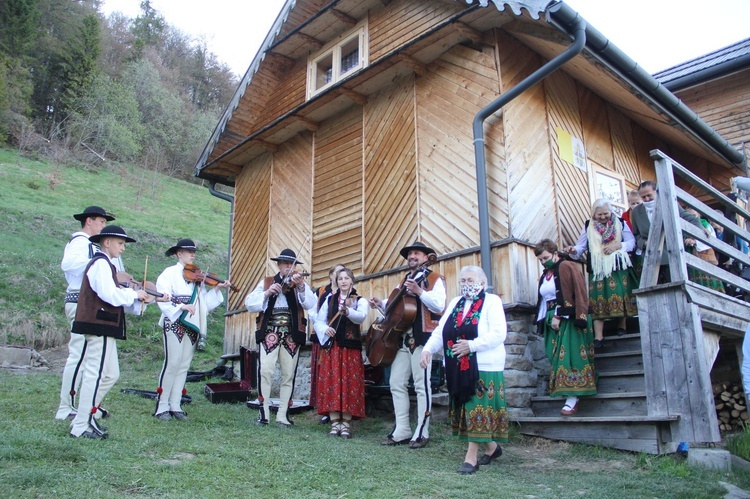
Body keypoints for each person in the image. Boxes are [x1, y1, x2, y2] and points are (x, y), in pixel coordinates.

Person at [69, 226, 167, 438]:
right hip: (98, 325)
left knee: (111, 374)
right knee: (94, 375)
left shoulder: (107, 266)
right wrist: (133, 293)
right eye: (120, 243)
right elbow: (109, 295)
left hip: (105, 326)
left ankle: (87, 416)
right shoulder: (100, 263)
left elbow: (118, 298)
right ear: (106, 242)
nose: (123, 248)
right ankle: (81, 425)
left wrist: (144, 297)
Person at [419, 266, 508, 475]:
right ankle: (492, 448)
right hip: (457, 366)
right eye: (463, 281)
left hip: (484, 365)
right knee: (467, 408)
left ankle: (471, 458)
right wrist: (428, 349)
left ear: (482, 284)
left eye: (470, 280)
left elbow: (498, 333)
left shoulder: (492, 301)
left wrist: (472, 345)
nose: (466, 284)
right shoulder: (455, 303)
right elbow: (441, 330)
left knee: (476, 408)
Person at [369, 241, 446, 449]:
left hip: (422, 338)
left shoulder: (435, 279)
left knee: (422, 385)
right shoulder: (404, 280)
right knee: (396, 382)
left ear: (425, 257)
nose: (412, 256)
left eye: (417, 253)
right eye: (410, 254)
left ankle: (422, 431)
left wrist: (419, 292)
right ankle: (402, 429)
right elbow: (394, 309)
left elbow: (439, 305)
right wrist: (380, 304)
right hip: (401, 339)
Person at [153, 239, 231, 421]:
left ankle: (176, 405)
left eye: (193, 252)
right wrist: (181, 307)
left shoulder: (197, 279)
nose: (192, 254)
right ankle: (161, 406)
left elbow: (203, 305)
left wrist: (217, 289)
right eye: (188, 252)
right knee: (172, 363)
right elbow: (162, 297)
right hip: (174, 321)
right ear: (179, 254)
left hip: (192, 325)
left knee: (184, 366)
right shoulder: (169, 273)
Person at [56, 205, 121, 421]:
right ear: (89, 221)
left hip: (95, 303)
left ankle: (87, 404)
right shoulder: (80, 242)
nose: (103, 225)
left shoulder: (97, 248)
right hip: (79, 300)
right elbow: (68, 264)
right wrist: (98, 263)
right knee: (79, 355)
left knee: (92, 359)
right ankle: (67, 406)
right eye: (101, 221)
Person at [245, 248, 316, 427]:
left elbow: (311, 304)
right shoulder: (267, 282)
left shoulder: (300, 283)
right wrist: (267, 293)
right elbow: (249, 303)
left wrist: (300, 287)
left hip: (292, 332)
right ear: (278, 265)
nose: (288, 267)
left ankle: (283, 415)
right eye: (285, 264)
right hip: (270, 330)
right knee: (265, 371)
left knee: (288, 374)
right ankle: (264, 412)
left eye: (291, 264)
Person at [534, 239, 597, 416]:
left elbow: (578, 291)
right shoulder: (546, 274)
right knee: (554, 356)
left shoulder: (567, 266)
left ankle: (573, 396)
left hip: (567, 318)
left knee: (570, 356)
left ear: (555, 253)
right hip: (550, 319)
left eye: (545, 257)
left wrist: (560, 314)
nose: (543, 261)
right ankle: (565, 391)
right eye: (540, 259)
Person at [564, 198, 637, 348]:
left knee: (619, 293)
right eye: (599, 215)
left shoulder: (621, 223)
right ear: (593, 214)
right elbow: (581, 247)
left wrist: (618, 245)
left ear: (611, 212)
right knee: (598, 300)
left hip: (617, 266)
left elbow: (632, 243)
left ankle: (621, 326)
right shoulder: (588, 226)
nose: (603, 217)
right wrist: (573, 250)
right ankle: (599, 336)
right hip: (598, 269)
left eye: (605, 213)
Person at [314, 267, 368, 438]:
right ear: (336, 282)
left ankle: (346, 423)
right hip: (333, 348)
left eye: (346, 278)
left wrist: (348, 311)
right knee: (332, 381)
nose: (343, 281)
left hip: (350, 348)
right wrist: (325, 329)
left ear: (352, 281)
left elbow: (361, 317)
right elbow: (319, 320)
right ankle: (334, 422)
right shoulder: (329, 299)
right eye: (340, 279)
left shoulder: (359, 300)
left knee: (349, 382)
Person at [629, 180, 704, 283]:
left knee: (675, 286)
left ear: (656, 192)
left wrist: (701, 229)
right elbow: (636, 234)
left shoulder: (668, 203)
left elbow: (688, 217)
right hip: (650, 257)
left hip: (671, 254)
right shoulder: (636, 212)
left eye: (649, 195)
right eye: (643, 197)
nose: (647, 199)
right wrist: (644, 243)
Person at [310, 263, 345, 424]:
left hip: (339, 338)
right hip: (321, 337)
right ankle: (323, 407)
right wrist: (322, 328)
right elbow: (312, 311)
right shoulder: (320, 291)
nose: (339, 277)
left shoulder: (345, 293)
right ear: (331, 276)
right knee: (322, 372)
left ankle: (336, 407)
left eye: (342, 274)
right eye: (337, 273)